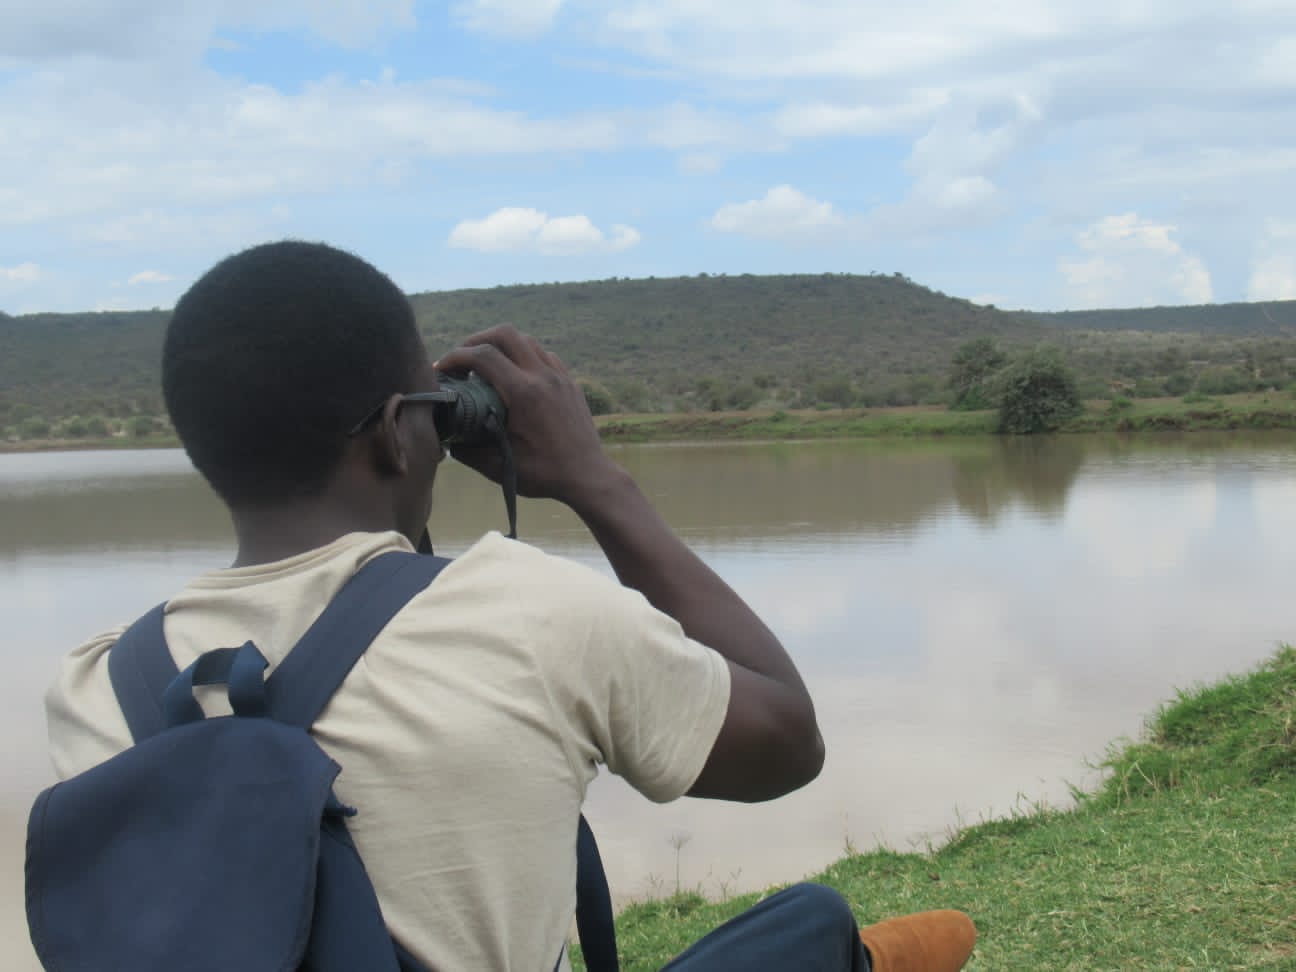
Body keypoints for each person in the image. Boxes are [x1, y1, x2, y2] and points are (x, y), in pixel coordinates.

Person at [44, 241, 976, 971]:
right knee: (811, 924)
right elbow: (787, 742)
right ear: (395, 433)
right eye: (431, 408)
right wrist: (596, 481)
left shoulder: (97, 684)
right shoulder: (528, 612)